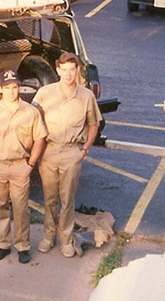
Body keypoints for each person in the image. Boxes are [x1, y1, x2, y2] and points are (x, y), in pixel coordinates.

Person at [33, 52, 102, 258]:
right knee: (49, 198)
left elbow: (93, 124)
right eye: (64, 70)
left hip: (72, 152)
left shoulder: (86, 96)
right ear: (58, 70)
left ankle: (66, 239)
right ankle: (48, 236)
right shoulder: (45, 93)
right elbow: (32, 118)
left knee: (67, 200)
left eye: (72, 70)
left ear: (77, 70)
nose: (69, 74)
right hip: (49, 151)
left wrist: (85, 148)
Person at [0, 70, 47, 264]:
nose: (12, 91)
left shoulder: (30, 111)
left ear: (19, 88)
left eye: (14, 87)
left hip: (19, 166)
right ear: (0, 89)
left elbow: (40, 138)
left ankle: (23, 245)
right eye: (7, 88)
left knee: (21, 207)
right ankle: (3, 244)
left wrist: (31, 163)